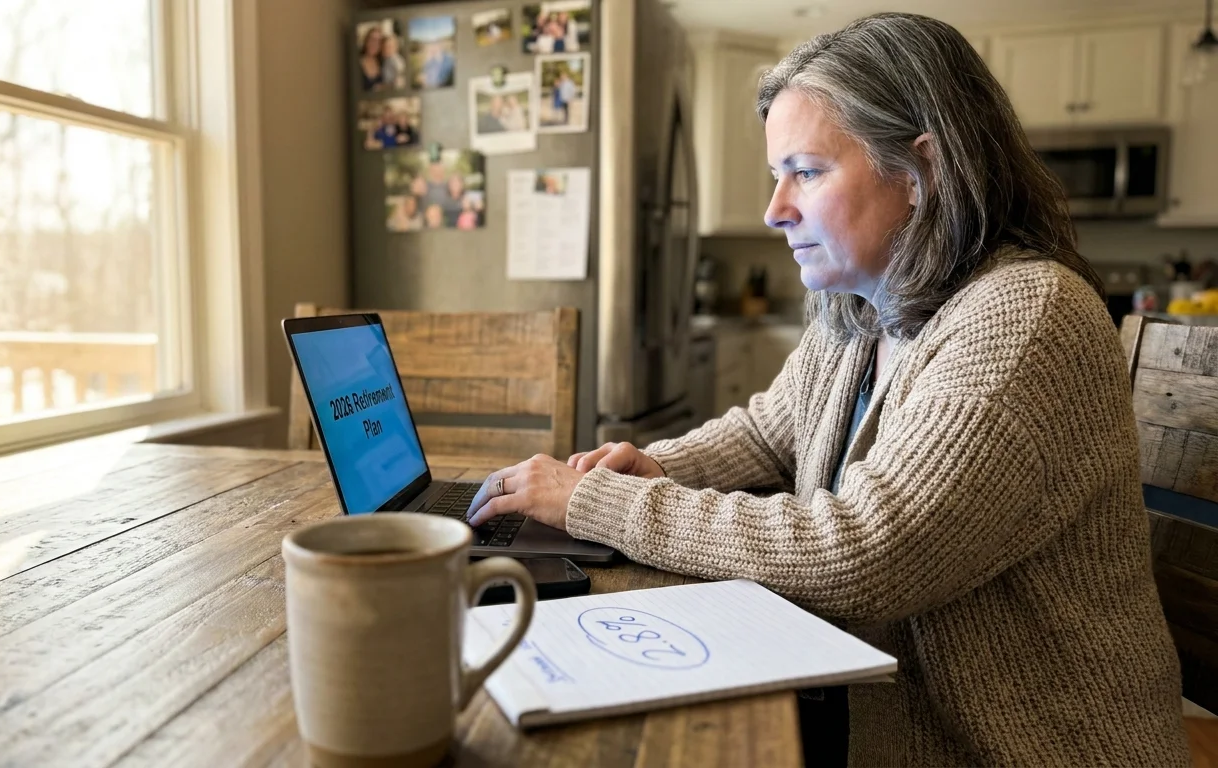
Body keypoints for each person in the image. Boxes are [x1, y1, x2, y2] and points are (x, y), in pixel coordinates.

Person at [463, 12, 1189, 767]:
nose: (775, 209)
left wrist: (600, 505)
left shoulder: (1025, 317)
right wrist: (644, 468)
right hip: (875, 721)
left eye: (805, 171)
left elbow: (872, 554)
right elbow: (767, 432)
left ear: (921, 171)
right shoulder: (863, 308)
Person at [358, 27, 385, 92]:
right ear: (366, 41)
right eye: (372, 40)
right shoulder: (357, 63)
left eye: (378, 41)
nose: (375, 44)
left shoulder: (383, 62)